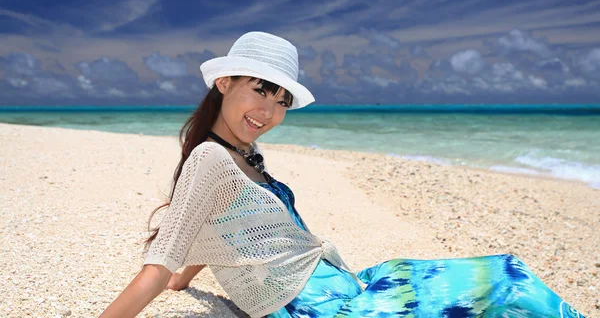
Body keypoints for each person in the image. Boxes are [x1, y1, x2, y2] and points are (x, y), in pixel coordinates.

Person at [100, 32, 585, 318]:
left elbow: (221, 230)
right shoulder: (210, 160)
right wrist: (170, 277)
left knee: (486, 278)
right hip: (321, 309)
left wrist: (185, 280)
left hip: (343, 283)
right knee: (505, 277)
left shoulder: (244, 153)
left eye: (282, 100)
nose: (269, 109)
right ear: (224, 83)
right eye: (260, 90)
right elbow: (157, 266)